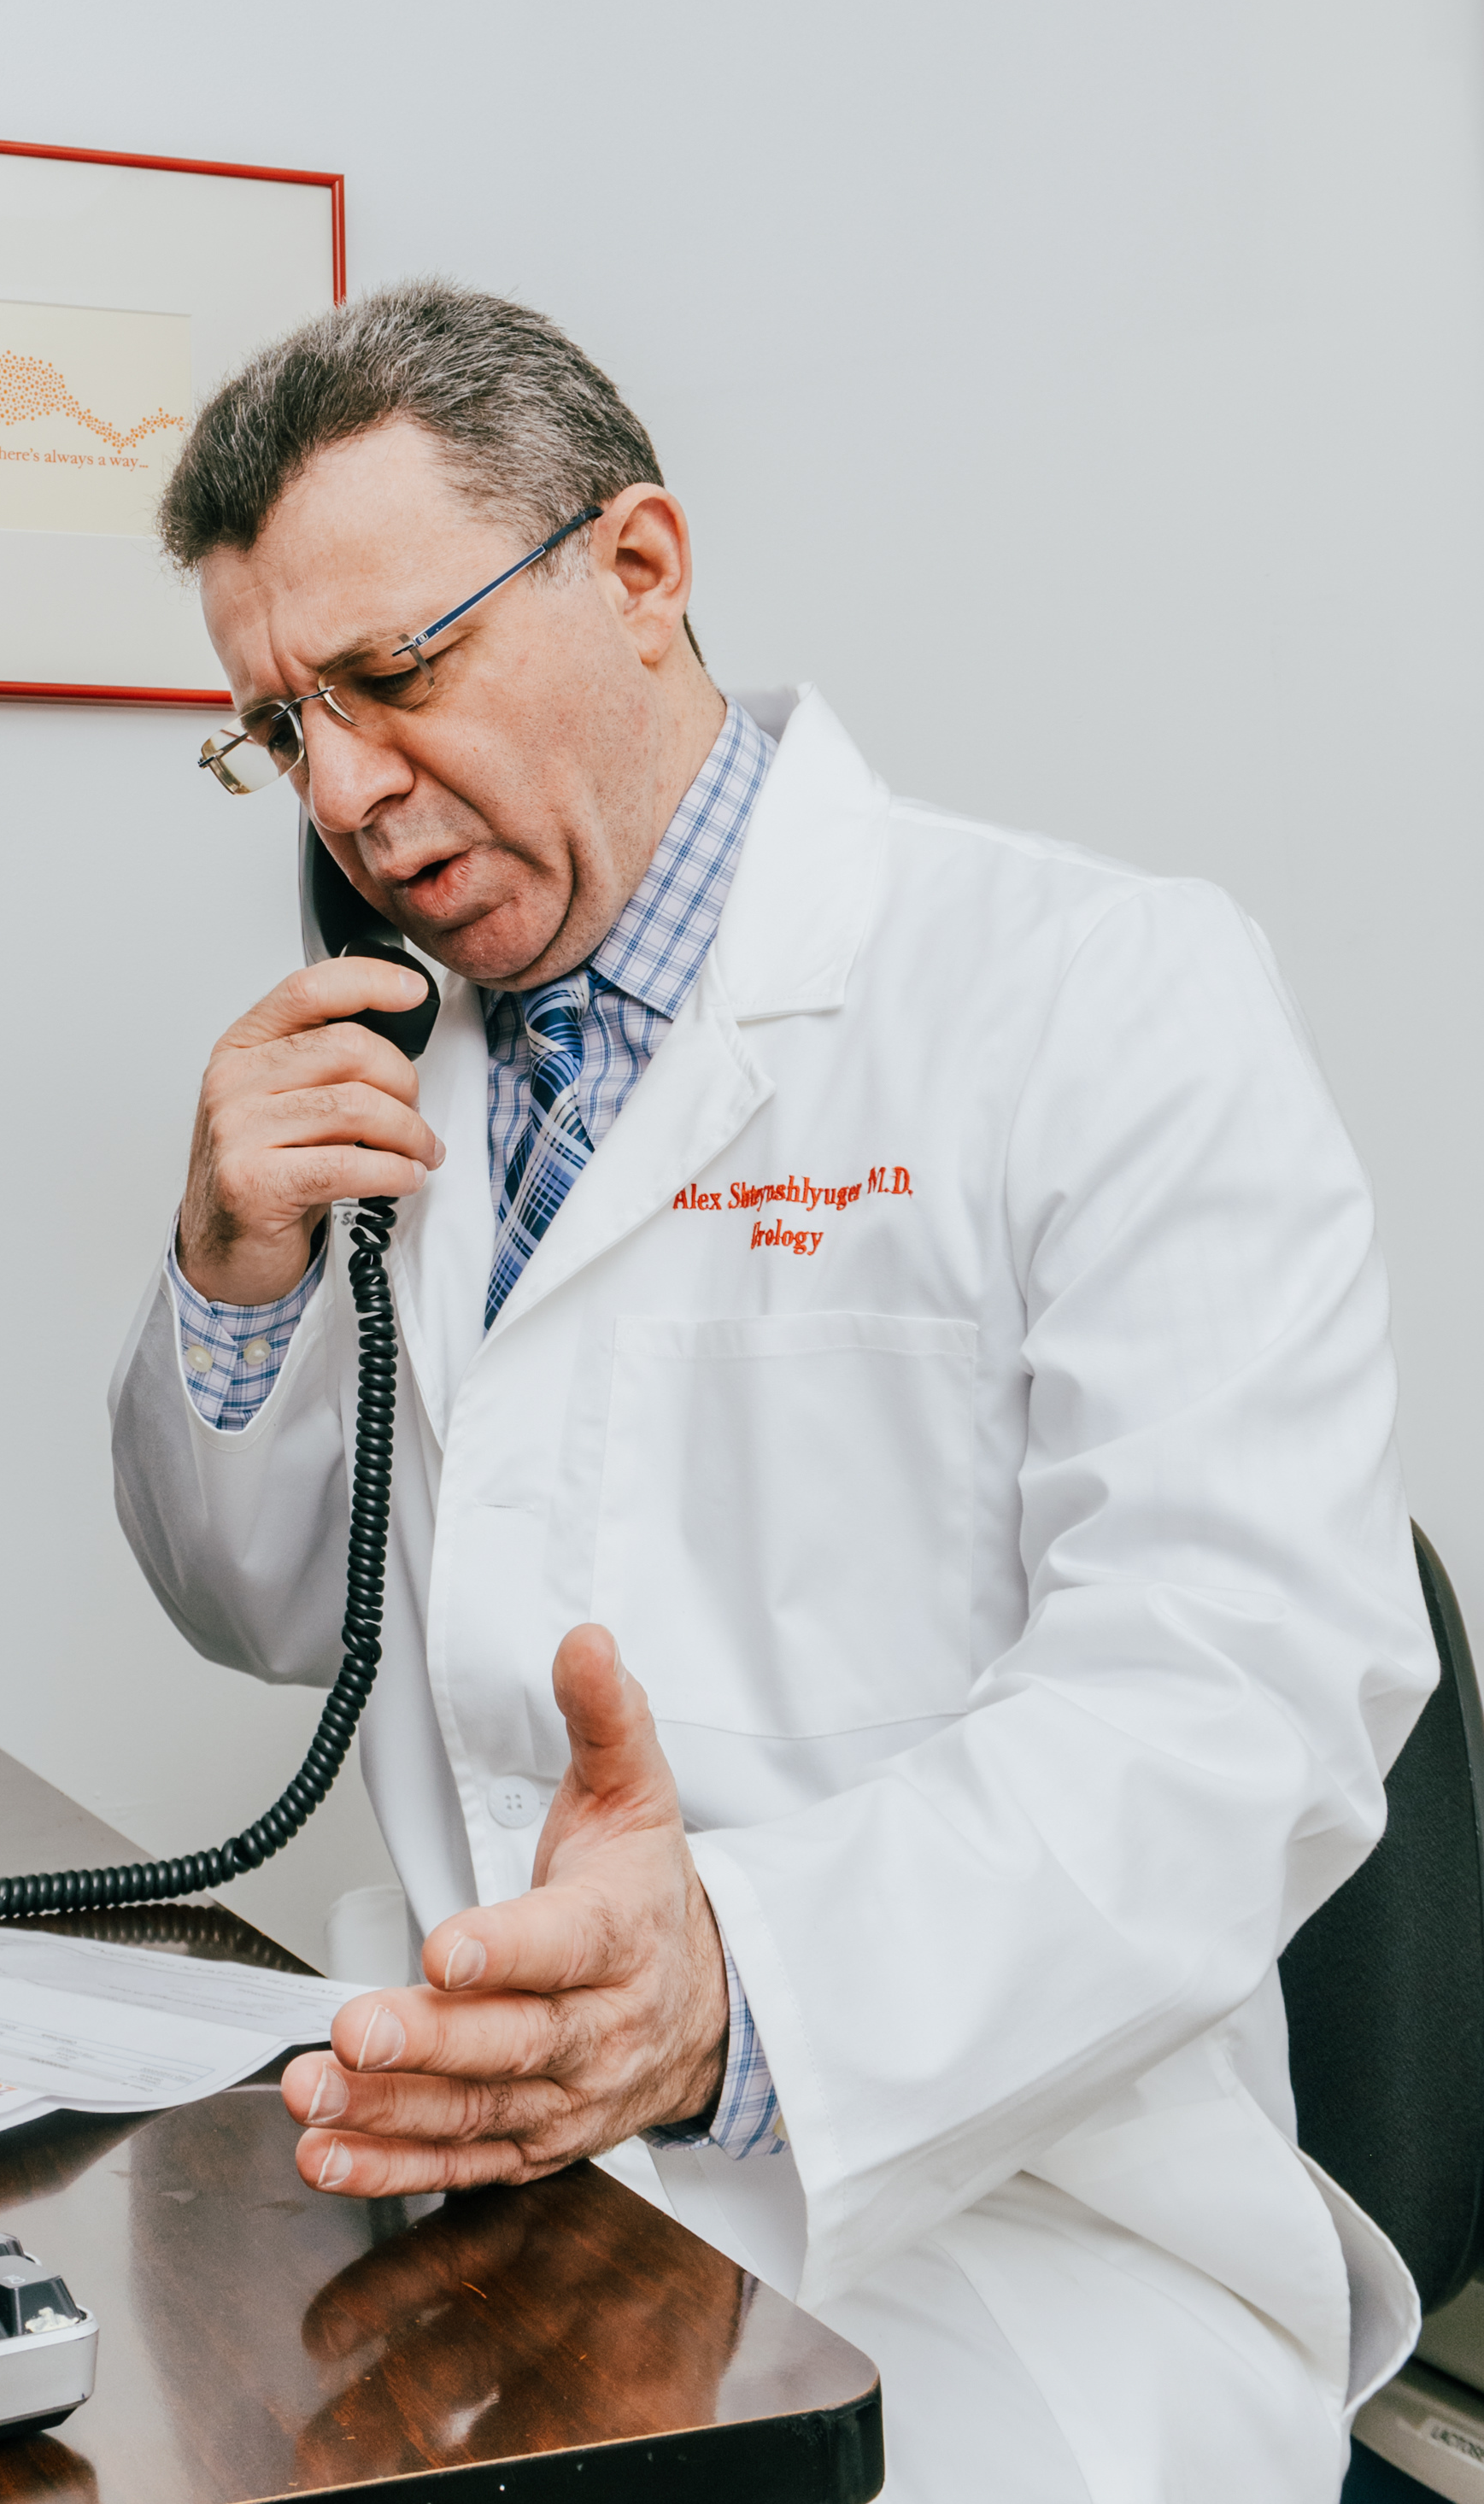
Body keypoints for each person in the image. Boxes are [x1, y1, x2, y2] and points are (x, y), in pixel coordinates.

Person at [109, 281, 1434, 2501]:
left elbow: (1252, 1683)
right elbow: (266, 1607)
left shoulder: (1091, 996)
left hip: (987, 2218)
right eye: (278, 727)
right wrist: (232, 1273)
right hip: (491, 2187)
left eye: (390, 676)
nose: (342, 791)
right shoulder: (394, 1068)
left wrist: (737, 1977)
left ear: (639, 572)